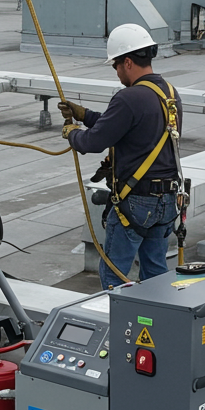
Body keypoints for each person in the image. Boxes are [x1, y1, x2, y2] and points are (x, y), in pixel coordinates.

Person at [58, 23, 184, 290]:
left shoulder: (128, 97)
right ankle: (157, 323)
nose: (116, 72)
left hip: (136, 203)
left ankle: (117, 327)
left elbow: (93, 141)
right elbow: (126, 126)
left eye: (115, 65)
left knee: (114, 276)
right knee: (156, 275)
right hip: (167, 201)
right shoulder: (170, 95)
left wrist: (71, 132)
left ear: (127, 62)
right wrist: (85, 115)